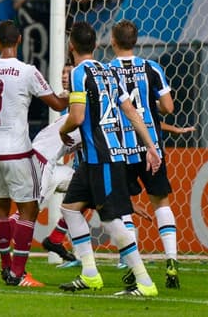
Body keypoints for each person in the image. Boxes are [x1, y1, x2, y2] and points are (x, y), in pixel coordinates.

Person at [57, 21, 161, 296]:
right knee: (69, 209)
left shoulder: (79, 73)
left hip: (101, 157)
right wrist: (150, 146)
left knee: (112, 219)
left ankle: (144, 281)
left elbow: (77, 117)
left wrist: (62, 130)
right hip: (96, 160)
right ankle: (90, 274)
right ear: (96, 44)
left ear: (71, 46)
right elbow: (130, 111)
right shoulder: (110, 72)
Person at [0, 20, 68, 287]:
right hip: (17, 150)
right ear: (19, 40)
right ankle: (18, 273)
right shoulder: (27, 71)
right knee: (28, 210)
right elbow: (57, 103)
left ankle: (7, 268)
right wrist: (74, 92)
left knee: (0, 207)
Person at [109, 19, 181, 289]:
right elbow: (168, 106)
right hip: (152, 147)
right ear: (135, 41)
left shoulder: (107, 72)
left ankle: (132, 266)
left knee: (124, 206)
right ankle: (171, 261)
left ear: (113, 41)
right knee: (161, 202)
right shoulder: (152, 68)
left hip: (122, 146)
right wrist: (150, 108)